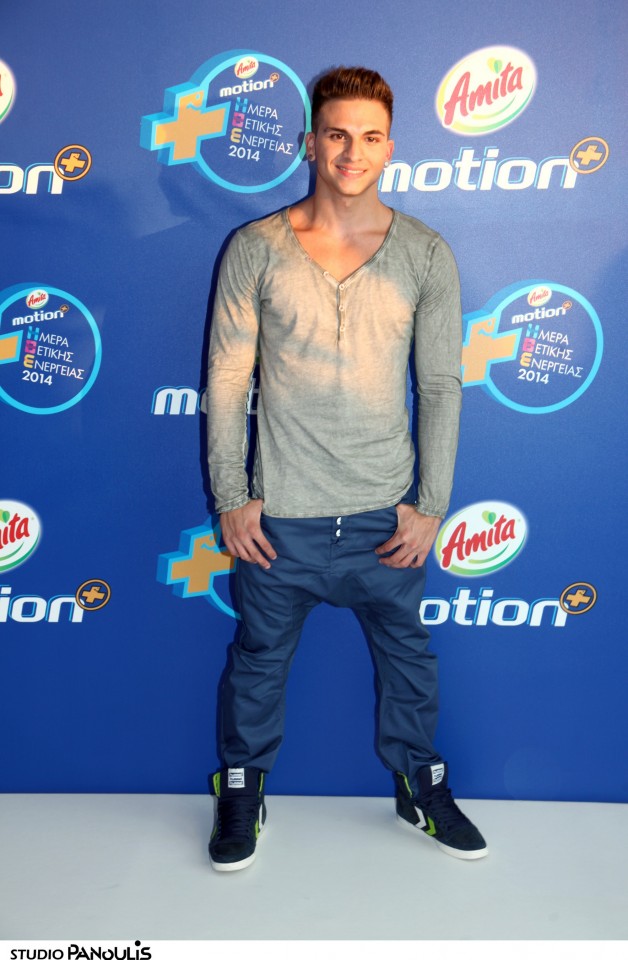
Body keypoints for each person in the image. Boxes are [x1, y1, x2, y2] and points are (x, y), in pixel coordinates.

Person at [205, 66, 487, 871]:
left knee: (410, 663)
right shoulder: (255, 248)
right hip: (280, 519)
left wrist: (431, 505)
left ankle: (420, 787)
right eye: (336, 134)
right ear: (309, 143)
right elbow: (227, 380)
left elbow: (441, 385)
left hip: (384, 518)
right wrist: (232, 495)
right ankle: (241, 790)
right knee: (257, 665)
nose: (351, 152)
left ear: (390, 148)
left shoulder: (425, 253)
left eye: (369, 137)